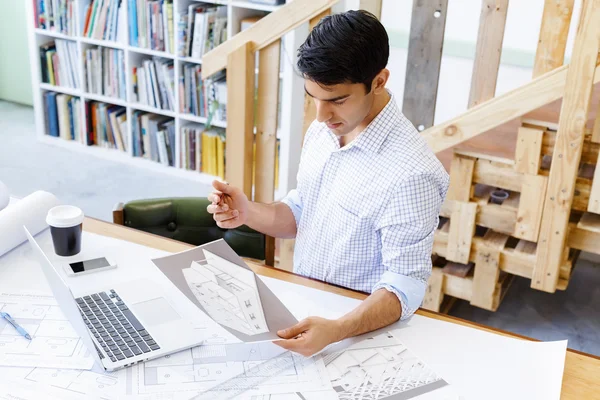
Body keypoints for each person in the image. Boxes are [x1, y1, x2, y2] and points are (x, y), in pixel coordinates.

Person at [207, 10, 449, 357]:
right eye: (313, 97)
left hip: (359, 339)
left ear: (379, 81)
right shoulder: (325, 130)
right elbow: (303, 212)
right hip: (306, 311)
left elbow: (405, 287)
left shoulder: (412, 174)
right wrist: (248, 212)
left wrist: (338, 330)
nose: (321, 116)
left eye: (336, 100)